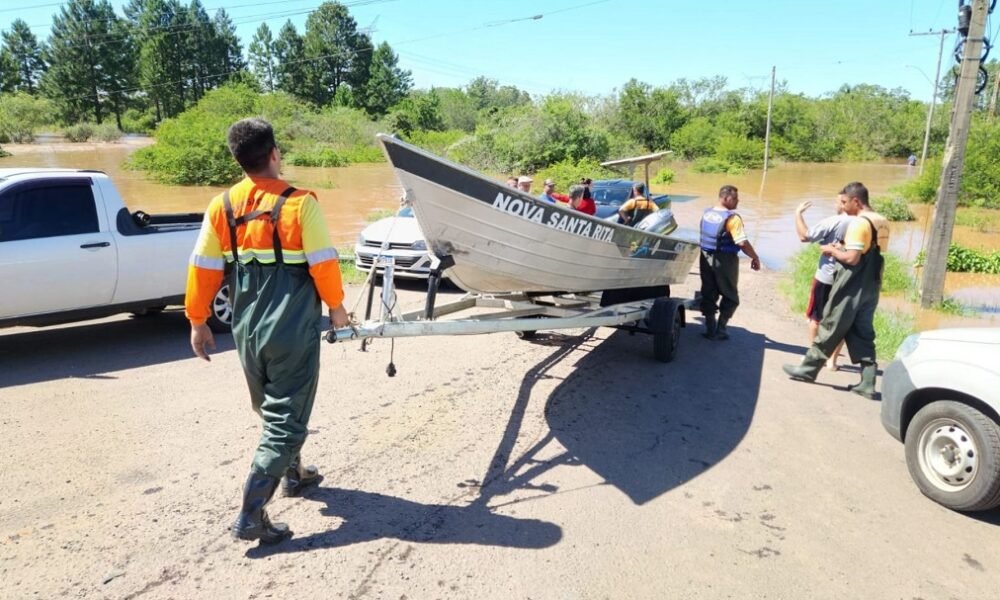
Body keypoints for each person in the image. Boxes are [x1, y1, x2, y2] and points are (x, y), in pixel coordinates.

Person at [185, 118, 351, 544]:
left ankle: (295, 474)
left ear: (238, 160)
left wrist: (198, 320)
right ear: (274, 153)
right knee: (285, 419)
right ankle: (251, 515)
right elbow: (324, 264)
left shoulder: (221, 206)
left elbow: (203, 267)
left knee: (271, 405)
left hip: (247, 329)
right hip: (290, 327)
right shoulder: (300, 205)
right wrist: (337, 308)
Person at [783, 182, 886, 399]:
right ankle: (867, 383)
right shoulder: (880, 220)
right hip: (873, 284)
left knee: (831, 323)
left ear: (856, 201)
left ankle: (808, 370)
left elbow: (852, 258)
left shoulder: (859, 223)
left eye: (844, 202)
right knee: (863, 332)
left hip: (853, 283)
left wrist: (831, 249)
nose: (841, 206)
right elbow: (870, 251)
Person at [698, 184, 762, 340]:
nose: (738, 201)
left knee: (708, 291)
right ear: (725, 198)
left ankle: (709, 327)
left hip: (705, 257)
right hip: (725, 260)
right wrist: (755, 257)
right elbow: (742, 243)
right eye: (735, 198)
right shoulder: (732, 218)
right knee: (730, 294)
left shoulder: (707, 213)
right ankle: (721, 329)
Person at [794, 196, 850, 370]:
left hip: (826, 277)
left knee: (816, 318)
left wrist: (798, 213)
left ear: (844, 203)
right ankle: (832, 361)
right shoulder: (864, 223)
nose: (835, 204)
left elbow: (805, 236)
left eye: (837, 201)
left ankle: (815, 357)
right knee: (841, 321)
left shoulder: (834, 222)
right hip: (849, 280)